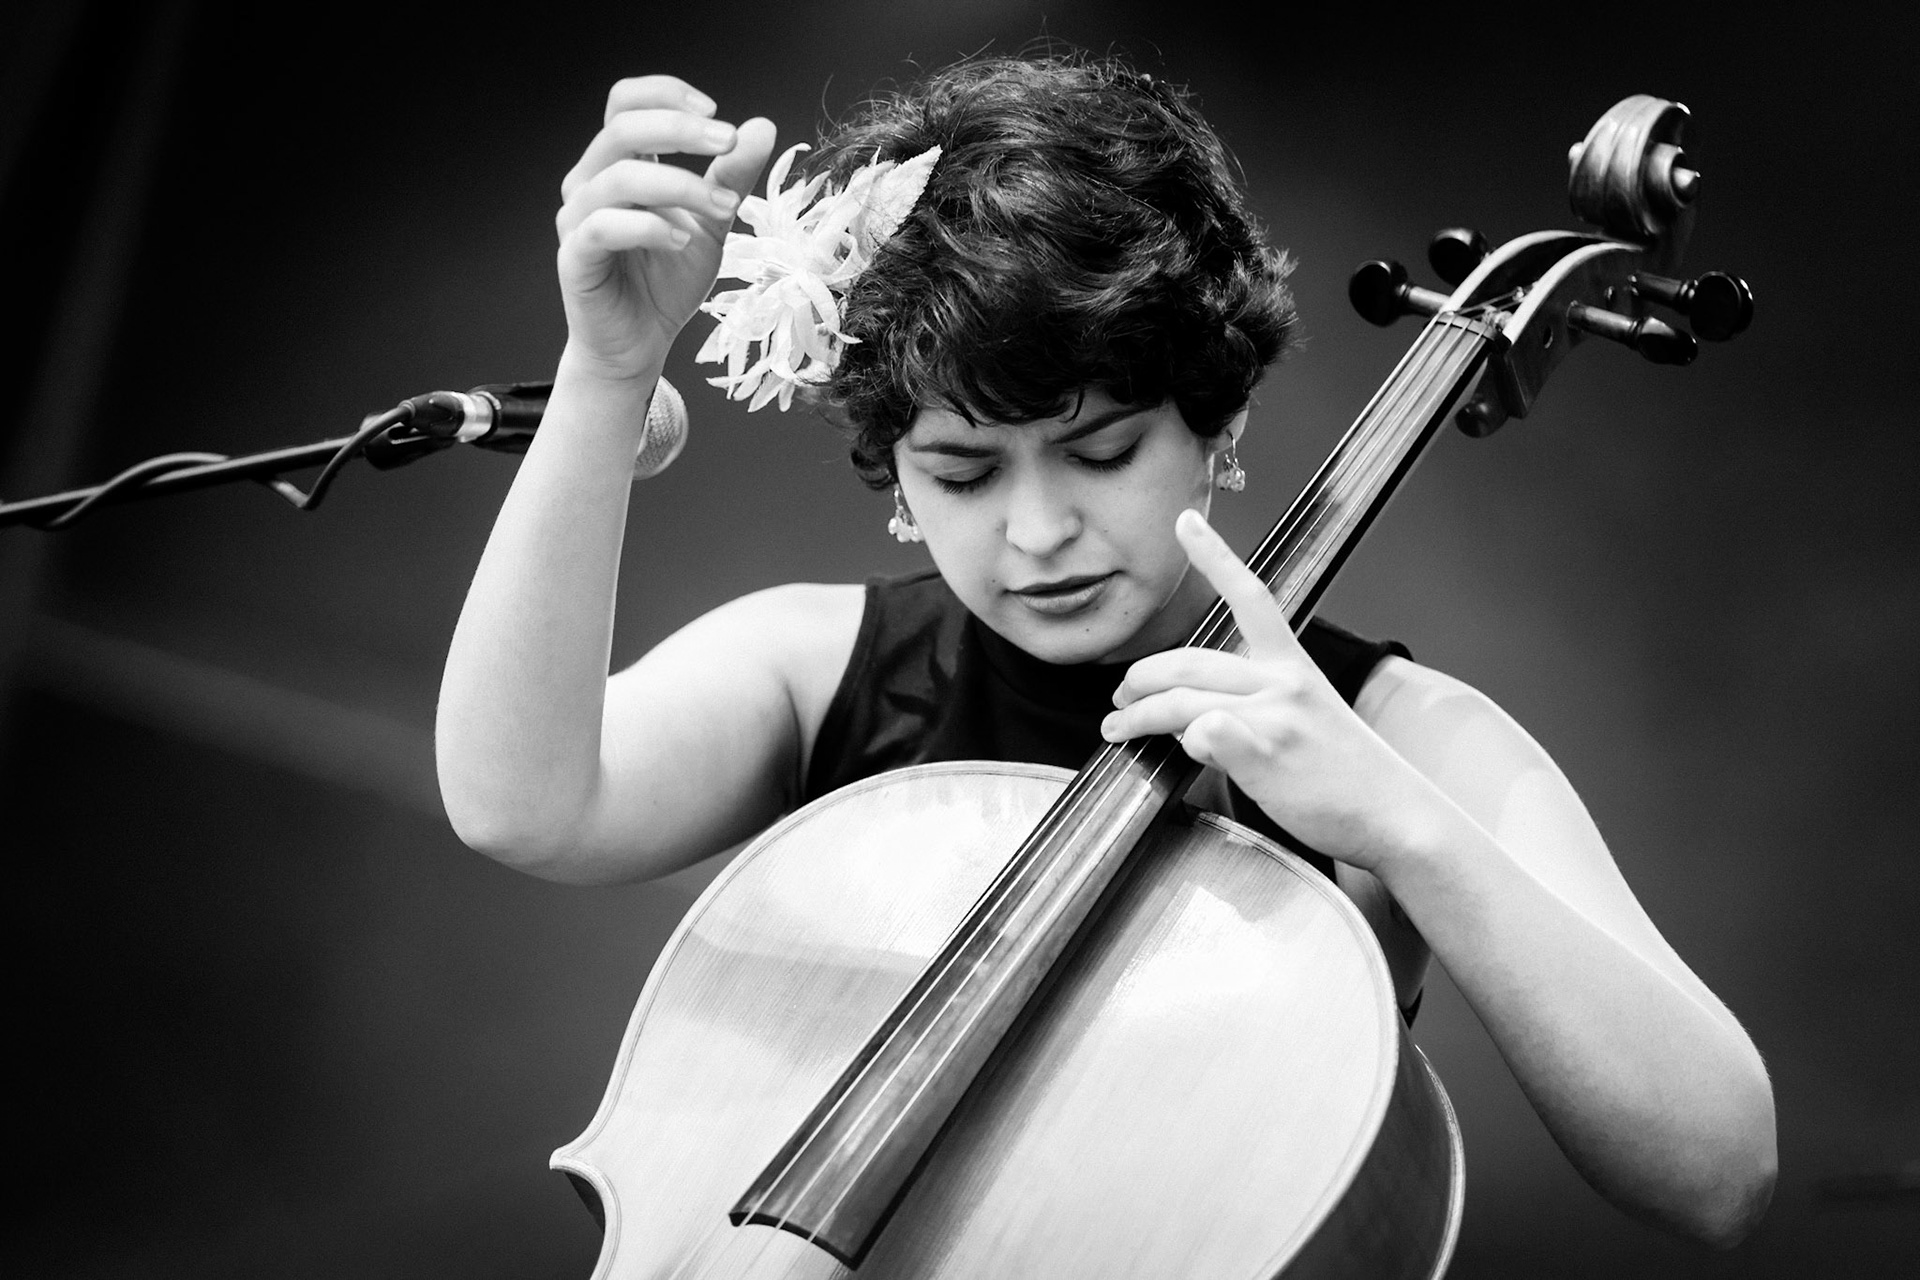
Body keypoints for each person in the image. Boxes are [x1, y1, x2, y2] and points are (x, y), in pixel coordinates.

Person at [435, 54, 1775, 1246]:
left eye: (1102, 450)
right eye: (963, 473)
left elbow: (1718, 1170)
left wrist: (1406, 829)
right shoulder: (815, 661)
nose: (1036, 532)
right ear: (895, 481)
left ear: (1219, 430)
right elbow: (522, 805)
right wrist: (608, 374)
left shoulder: (1402, 739)